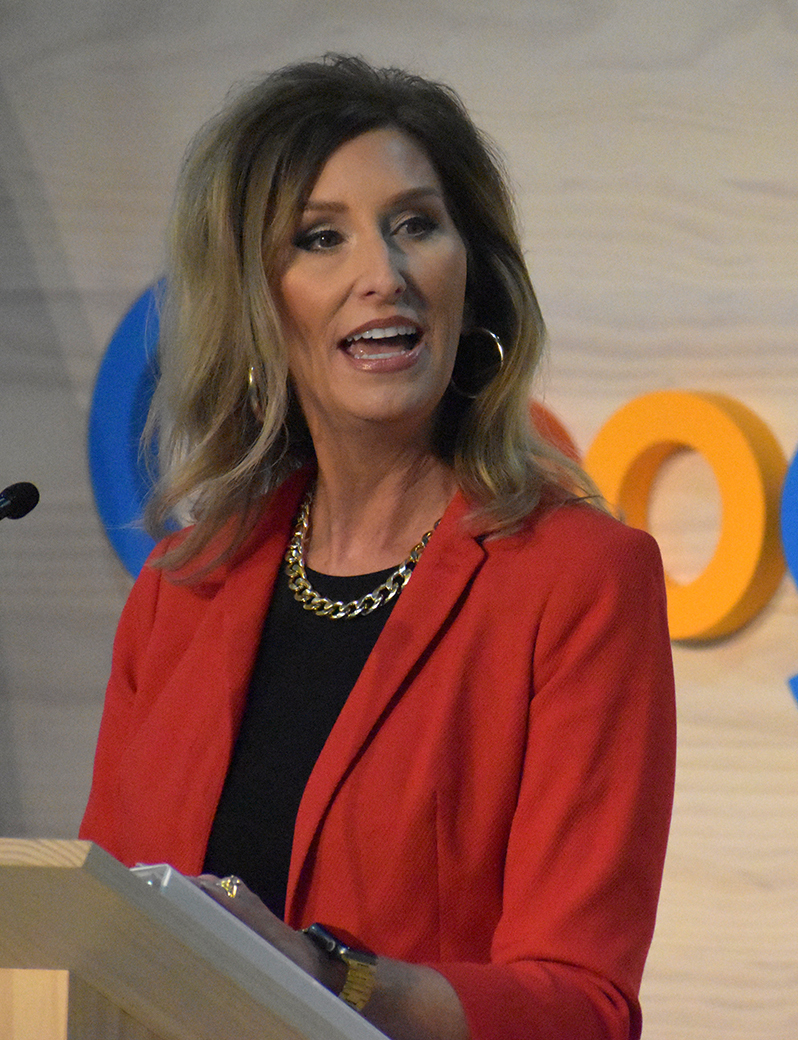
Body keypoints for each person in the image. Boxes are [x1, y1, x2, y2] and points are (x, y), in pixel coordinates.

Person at [78, 54, 677, 1040]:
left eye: (416, 226)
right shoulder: (179, 591)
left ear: (471, 274)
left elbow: (581, 1007)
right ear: (256, 300)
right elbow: (98, 940)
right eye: (322, 238)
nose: (382, 275)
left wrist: (327, 972)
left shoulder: (578, 583)